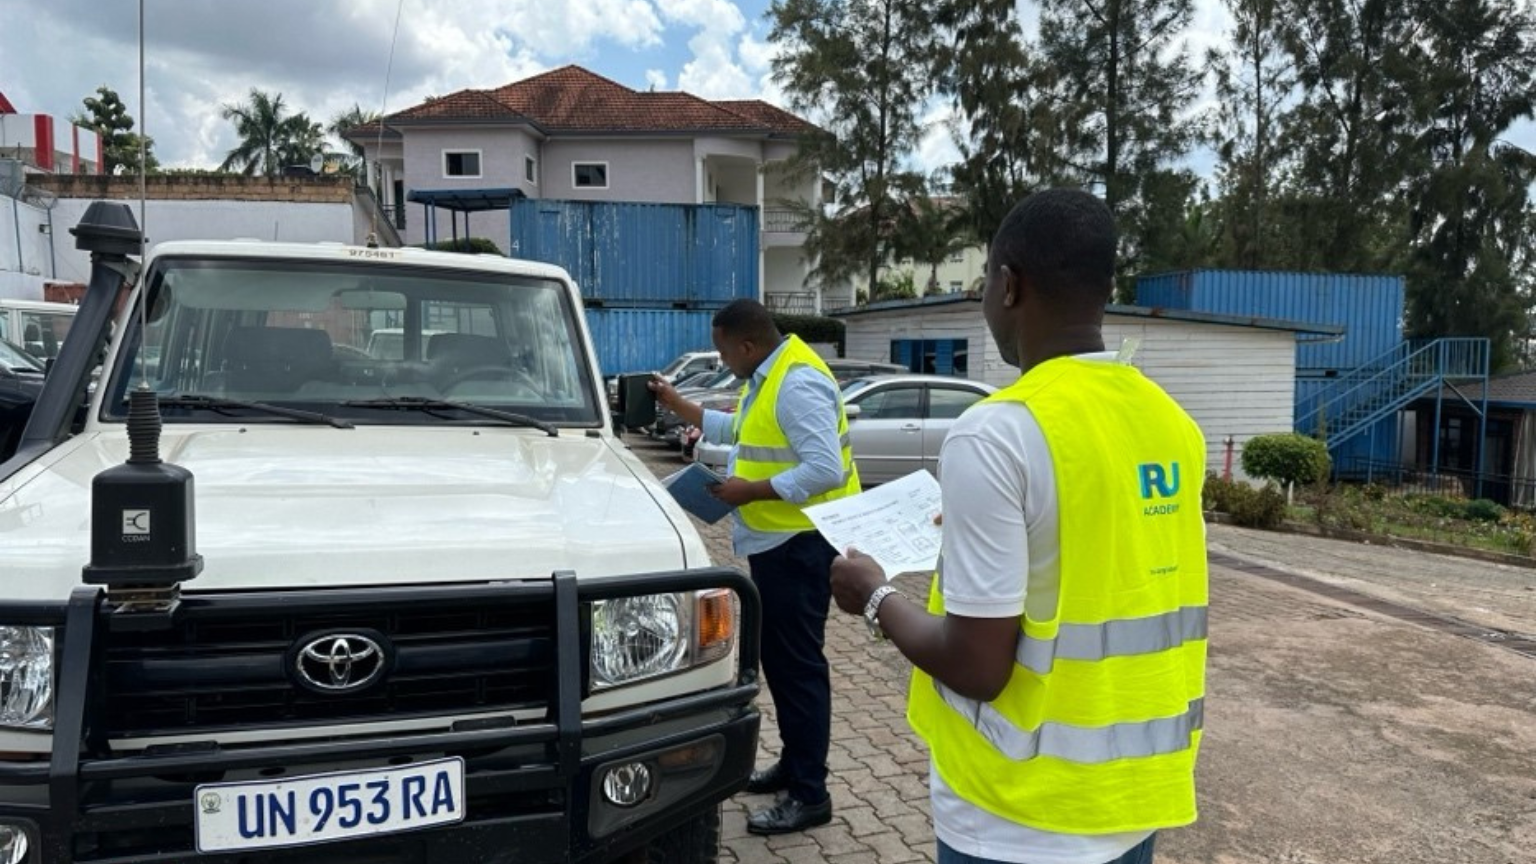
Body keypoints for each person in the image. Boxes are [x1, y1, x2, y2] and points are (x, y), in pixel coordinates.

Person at [829, 188, 1209, 864]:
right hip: (1131, 804)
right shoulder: (1171, 423)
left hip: (1016, 816)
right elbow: (1098, 547)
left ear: (1008, 285)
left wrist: (875, 595)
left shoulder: (995, 434)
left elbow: (978, 668)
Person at [650, 298, 860, 835]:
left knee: (798, 670)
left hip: (801, 544)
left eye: (724, 351)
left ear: (747, 345)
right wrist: (677, 403)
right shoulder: (766, 379)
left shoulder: (796, 383)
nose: (723, 362)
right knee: (783, 666)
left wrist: (750, 490)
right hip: (776, 545)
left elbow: (826, 469)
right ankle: (795, 766)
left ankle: (811, 794)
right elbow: (735, 428)